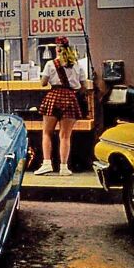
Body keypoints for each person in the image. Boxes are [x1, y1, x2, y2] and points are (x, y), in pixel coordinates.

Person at [35, 37, 88, 176]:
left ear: (57, 49)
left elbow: (43, 83)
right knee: (65, 136)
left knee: (47, 132)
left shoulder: (50, 64)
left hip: (53, 97)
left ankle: (47, 163)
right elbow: (84, 87)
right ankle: (64, 167)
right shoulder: (77, 65)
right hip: (70, 98)